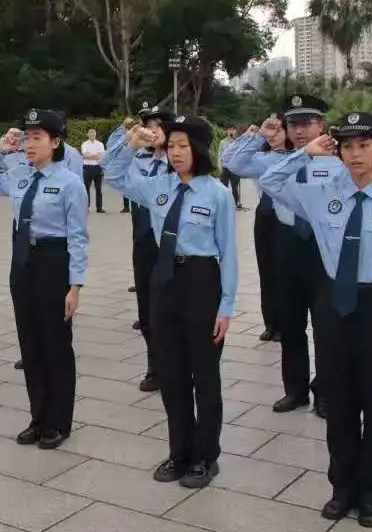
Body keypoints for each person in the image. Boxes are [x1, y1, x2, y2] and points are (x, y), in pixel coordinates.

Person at [260, 111, 372, 528]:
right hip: (334, 305)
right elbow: (270, 181)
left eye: (364, 145)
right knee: (339, 404)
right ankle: (343, 487)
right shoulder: (320, 195)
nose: (355, 154)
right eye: (347, 147)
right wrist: (306, 153)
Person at [102, 114, 236, 488]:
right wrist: (131, 143)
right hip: (163, 280)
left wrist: (226, 305)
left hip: (201, 281)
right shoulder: (157, 187)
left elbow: (229, 253)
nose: (175, 153)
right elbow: (112, 173)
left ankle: (205, 456)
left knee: (204, 375)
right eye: (171, 145)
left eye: (183, 146)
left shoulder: (217, 193)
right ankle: (180, 451)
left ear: (199, 149)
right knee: (172, 374)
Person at [0, 109, 88, 449]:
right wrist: (0, 149)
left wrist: (75, 285)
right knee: (30, 344)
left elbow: (78, 237)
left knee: (55, 344)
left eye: (37, 138)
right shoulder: (19, 176)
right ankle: (38, 418)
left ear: (55, 142)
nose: (29, 144)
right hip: (23, 262)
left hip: (54, 262)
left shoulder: (70, 183)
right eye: (27, 137)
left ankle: (59, 422)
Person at [224, 95, 340, 417]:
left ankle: (326, 391)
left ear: (321, 124)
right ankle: (295, 390)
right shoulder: (275, 161)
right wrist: (259, 135)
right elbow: (234, 164)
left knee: (326, 326)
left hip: (324, 246)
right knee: (290, 323)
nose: (299, 131)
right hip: (287, 244)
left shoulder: (338, 160)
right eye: (293, 124)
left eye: (307, 123)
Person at [105, 104, 175, 391]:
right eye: (148, 125)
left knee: (174, 310)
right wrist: (130, 142)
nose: (152, 130)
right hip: (144, 244)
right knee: (147, 310)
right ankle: (155, 367)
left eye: (158, 125)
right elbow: (109, 169)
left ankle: (179, 366)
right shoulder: (138, 161)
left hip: (174, 246)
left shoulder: (180, 162)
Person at [219, 117, 290, 342]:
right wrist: (253, 135)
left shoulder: (299, 157)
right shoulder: (262, 158)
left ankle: (286, 324)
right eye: (270, 130)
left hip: (291, 217)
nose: (273, 134)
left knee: (286, 273)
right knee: (266, 270)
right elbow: (229, 161)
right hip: (266, 217)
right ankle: (271, 323)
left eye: (278, 130)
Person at [217, 125, 244, 210]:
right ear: (227, 131)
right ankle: (223, 204)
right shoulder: (222, 142)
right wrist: (219, 165)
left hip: (235, 168)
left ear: (235, 131)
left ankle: (234, 204)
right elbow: (219, 154)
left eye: (233, 129)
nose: (231, 131)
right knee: (223, 187)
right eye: (229, 130)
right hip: (225, 167)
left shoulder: (238, 142)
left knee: (235, 188)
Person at [81, 128, 107, 213]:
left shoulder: (100, 144)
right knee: (86, 188)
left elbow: (102, 156)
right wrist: (96, 156)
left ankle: (99, 208)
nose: (92, 135)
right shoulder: (84, 144)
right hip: (87, 167)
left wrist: (90, 155)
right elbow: (84, 155)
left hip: (97, 167)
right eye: (90, 133)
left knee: (98, 188)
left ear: (95, 134)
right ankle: (86, 207)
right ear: (87, 134)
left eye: (93, 133)